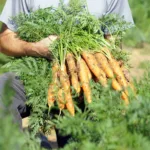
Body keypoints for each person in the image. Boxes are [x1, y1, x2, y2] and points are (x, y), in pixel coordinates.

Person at [0, 0, 134, 148]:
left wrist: (112, 62)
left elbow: (114, 44)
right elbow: (5, 39)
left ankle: (41, 141)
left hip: (86, 79)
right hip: (35, 71)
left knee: (80, 143)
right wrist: (37, 48)